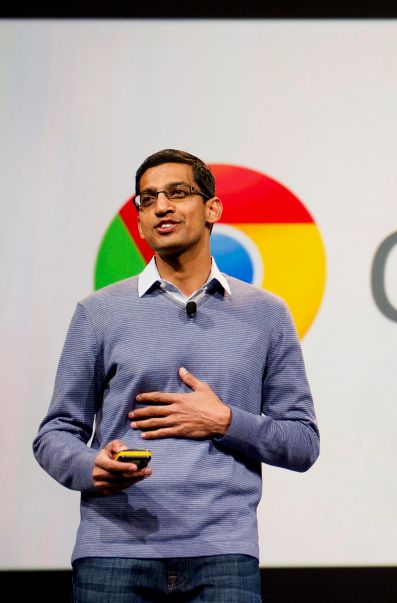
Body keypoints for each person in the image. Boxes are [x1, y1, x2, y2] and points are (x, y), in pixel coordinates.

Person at [33, 149, 320, 602]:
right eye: (147, 199)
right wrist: (92, 465)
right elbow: (55, 433)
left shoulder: (266, 314)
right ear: (140, 222)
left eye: (177, 193)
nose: (161, 206)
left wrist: (224, 421)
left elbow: (302, 442)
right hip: (113, 554)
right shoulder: (98, 312)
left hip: (223, 555)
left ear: (212, 209)